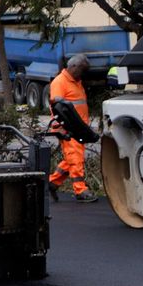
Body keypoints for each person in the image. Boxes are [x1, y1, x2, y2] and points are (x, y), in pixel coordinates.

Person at [47, 54, 97, 203]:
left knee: (71, 159)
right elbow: (57, 106)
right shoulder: (60, 82)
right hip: (68, 128)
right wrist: (60, 128)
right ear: (73, 67)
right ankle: (80, 190)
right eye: (81, 70)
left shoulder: (76, 81)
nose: (82, 73)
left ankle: (52, 182)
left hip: (78, 128)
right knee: (76, 158)